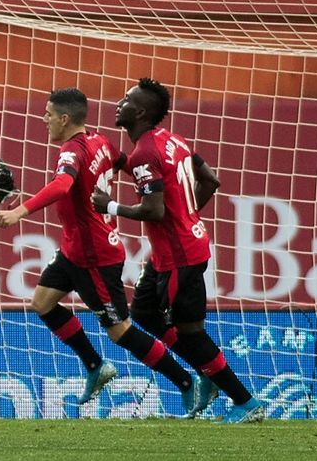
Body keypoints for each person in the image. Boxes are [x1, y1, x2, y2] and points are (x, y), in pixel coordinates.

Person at [0, 88, 206, 415]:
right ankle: (95, 365)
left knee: (120, 331)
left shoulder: (72, 150)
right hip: (73, 249)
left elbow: (63, 184)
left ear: (65, 119)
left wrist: (19, 211)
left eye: (49, 114)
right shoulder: (100, 141)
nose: (44, 119)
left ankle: (186, 381)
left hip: (95, 256)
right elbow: (126, 163)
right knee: (42, 302)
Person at [91, 77, 263, 423]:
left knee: (191, 332)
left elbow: (154, 210)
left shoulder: (145, 152)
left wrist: (109, 206)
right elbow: (210, 180)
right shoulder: (173, 141)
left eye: (127, 100)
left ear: (141, 112)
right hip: (172, 253)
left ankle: (246, 403)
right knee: (144, 312)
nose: (119, 104)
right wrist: (187, 215)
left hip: (180, 257)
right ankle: (205, 372)